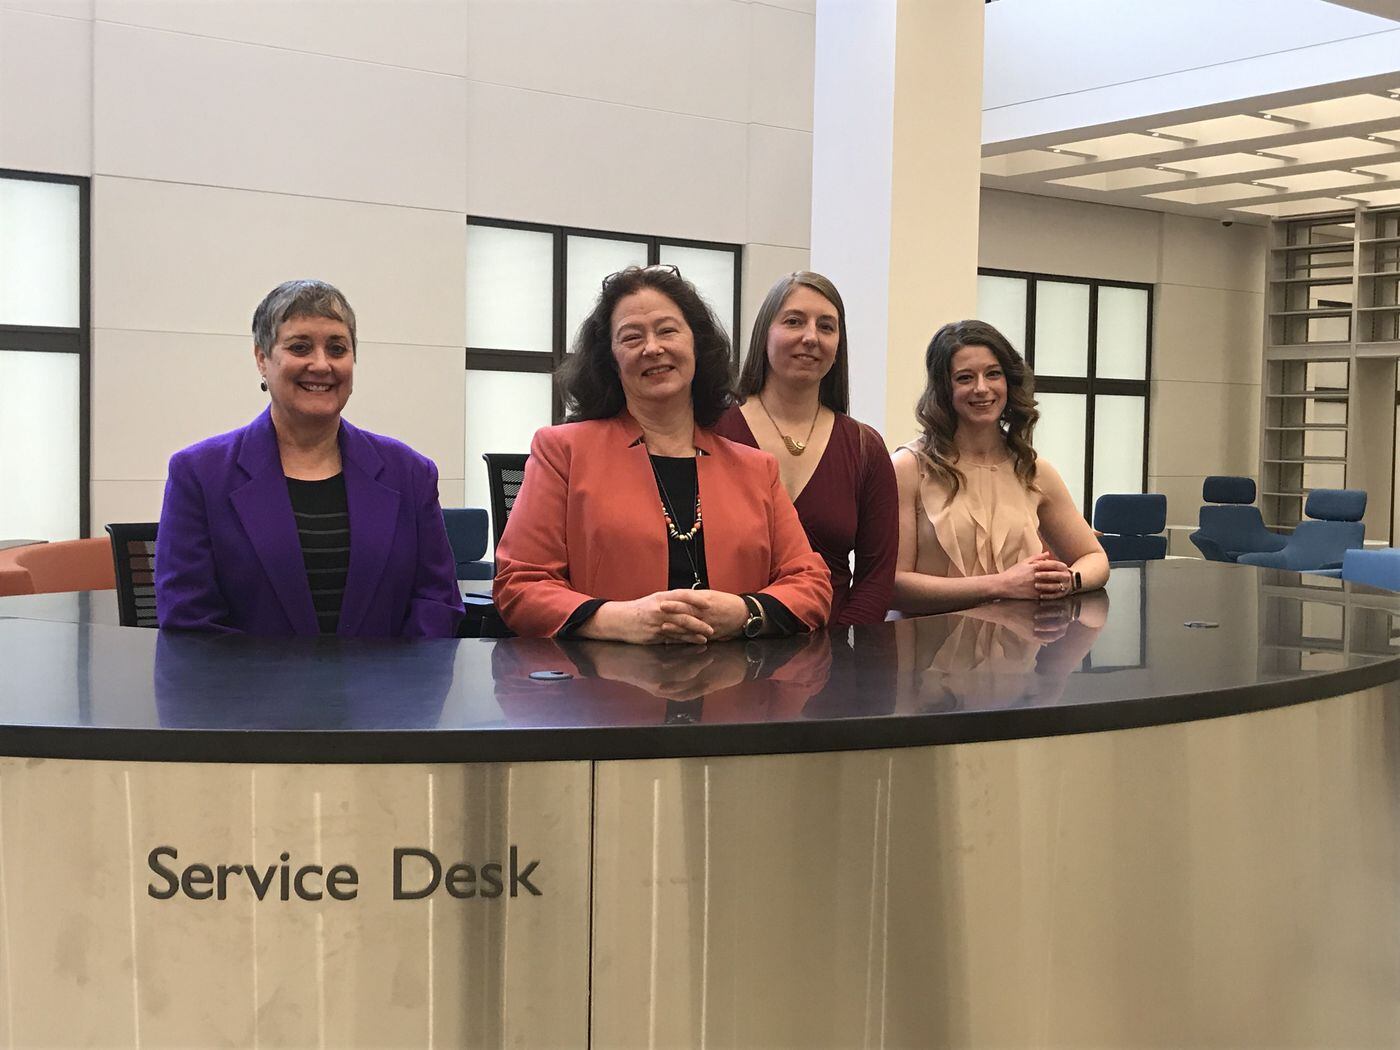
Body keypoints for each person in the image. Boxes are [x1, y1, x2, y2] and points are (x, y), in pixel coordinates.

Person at [493, 265, 831, 642]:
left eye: (668, 330)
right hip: (601, 689)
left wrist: (744, 611)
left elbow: (811, 584)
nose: (653, 348)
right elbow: (520, 585)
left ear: (696, 345)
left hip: (735, 690)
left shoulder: (756, 468)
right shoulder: (562, 452)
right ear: (611, 361)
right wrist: (620, 619)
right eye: (631, 337)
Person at [155, 279, 463, 637]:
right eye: (300, 347)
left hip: (388, 692)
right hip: (248, 692)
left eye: (337, 349)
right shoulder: (199, 474)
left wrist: (395, 688)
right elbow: (190, 622)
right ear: (262, 359)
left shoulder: (410, 473)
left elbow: (436, 602)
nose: (321, 364)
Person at [713, 271, 897, 625]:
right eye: (794, 321)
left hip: (834, 657)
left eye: (826, 327)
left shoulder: (865, 448)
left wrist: (837, 656)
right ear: (764, 332)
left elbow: (877, 578)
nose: (811, 337)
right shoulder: (712, 432)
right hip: (724, 653)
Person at [891, 319, 1108, 615]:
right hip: (927, 651)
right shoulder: (908, 468)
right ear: (943, 388)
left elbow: (1094, 557)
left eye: (993, 374)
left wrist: (1069, 580)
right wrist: (1001, 585)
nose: (982, 388)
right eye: (965, 378)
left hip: (1018, 651)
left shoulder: (1035, 471)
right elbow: (895, 586)